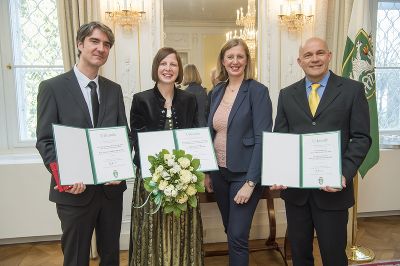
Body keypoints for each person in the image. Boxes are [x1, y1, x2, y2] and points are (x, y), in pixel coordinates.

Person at [36, 22, 131, 266]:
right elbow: (45, 140)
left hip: (110, 192)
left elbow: (124, 136)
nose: (101, 48)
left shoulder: (114, 90)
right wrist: (64, 175)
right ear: (80, 44)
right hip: (74, 192)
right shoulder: (52, 88)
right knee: (76, 258)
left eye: (107, 44)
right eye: (95, 41)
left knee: (110, 256)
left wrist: (119, 170)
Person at [272, 37, 372, 266]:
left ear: (329, 56)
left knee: (334, 256)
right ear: (300, 61)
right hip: (296, 194)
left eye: (319, 53)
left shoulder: (352, 90)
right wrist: (279, 171)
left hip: (333, 191)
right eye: (308, 55)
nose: (314, 59)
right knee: (300, 256)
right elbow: (282, 138)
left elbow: (361, 138)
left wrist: (344, 173)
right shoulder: (287, 94)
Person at [129, 47, 204, 266]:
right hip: (151, 180)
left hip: (186, 178)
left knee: (182, 229)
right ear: (156, 68)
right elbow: (137, 141)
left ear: (179, 69)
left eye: (173, 64)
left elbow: (194, 134)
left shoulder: (189, 99)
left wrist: (185, 172)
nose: (168, 68)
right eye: (163, 64)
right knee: (153, 231)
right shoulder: (140, 99)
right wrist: (160, 173)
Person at [204, 38, 273, 266]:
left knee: (237, 236)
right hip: (219, 173)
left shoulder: (257, 91)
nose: (235, 61)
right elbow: (210, 133)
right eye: (230, 57)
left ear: (246, 60)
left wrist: (251, 182)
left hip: (245, 175)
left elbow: (263, 139)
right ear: (223, 61)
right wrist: (207, 172)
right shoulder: (216, 92)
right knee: (229, 229)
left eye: (240, 56)